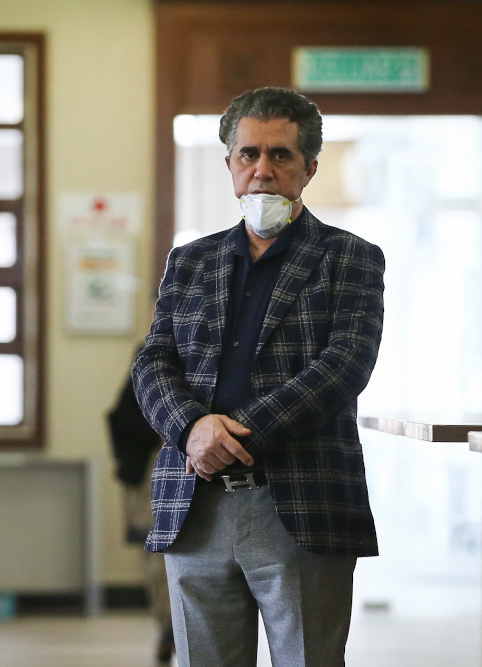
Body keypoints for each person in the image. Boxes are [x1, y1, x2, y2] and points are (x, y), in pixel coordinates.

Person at [132, 86, 385, 667]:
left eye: (280, 156)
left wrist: (232, 435)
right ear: (229, 164)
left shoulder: (351, 257)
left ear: (309, 169)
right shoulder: (190, 260)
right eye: (248, 155)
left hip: (298, 501)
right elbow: (153, 361)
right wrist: (194, 429)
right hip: (194, 505)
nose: (262, 170)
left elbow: (345, 364)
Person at [106, 347, 174, 664]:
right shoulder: (151, 353)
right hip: (153, 465)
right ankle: (169, 628)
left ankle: (173, 628)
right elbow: (122, 417)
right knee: (157, 554)